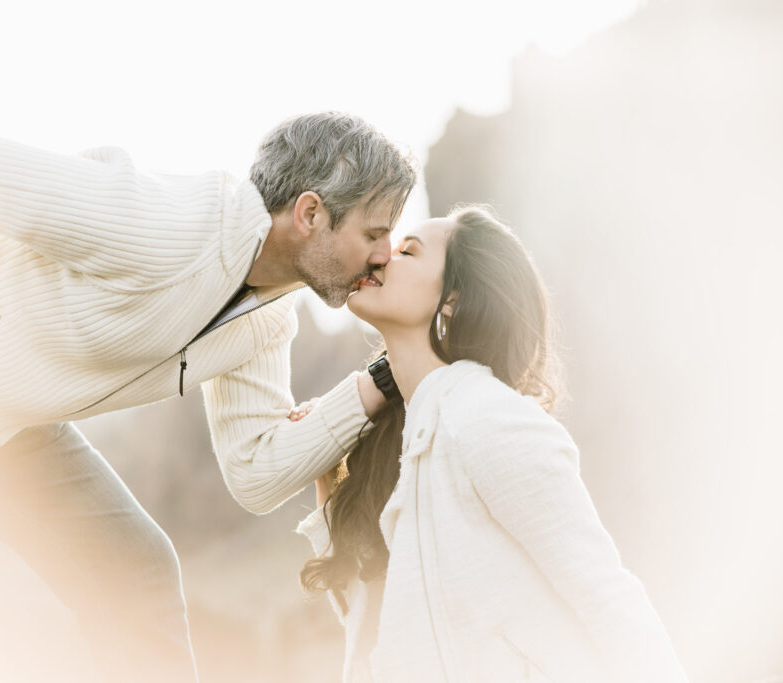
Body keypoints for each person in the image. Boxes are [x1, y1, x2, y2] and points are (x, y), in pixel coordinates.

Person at [0, 112, 414, 682]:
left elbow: (254, 472)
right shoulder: (166, 220)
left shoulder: (266, 323)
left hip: (6, 423)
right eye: (375, 232)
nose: (385, 254)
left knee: (138, 574)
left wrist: (382, 380)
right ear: (310, 213)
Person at [291, 205, 689, 682]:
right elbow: (383, 630)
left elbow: (602, 590)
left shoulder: (487, 415)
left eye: (406, 252)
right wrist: (328, 478)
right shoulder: (403, 441)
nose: (379, 259)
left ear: (453, 299)